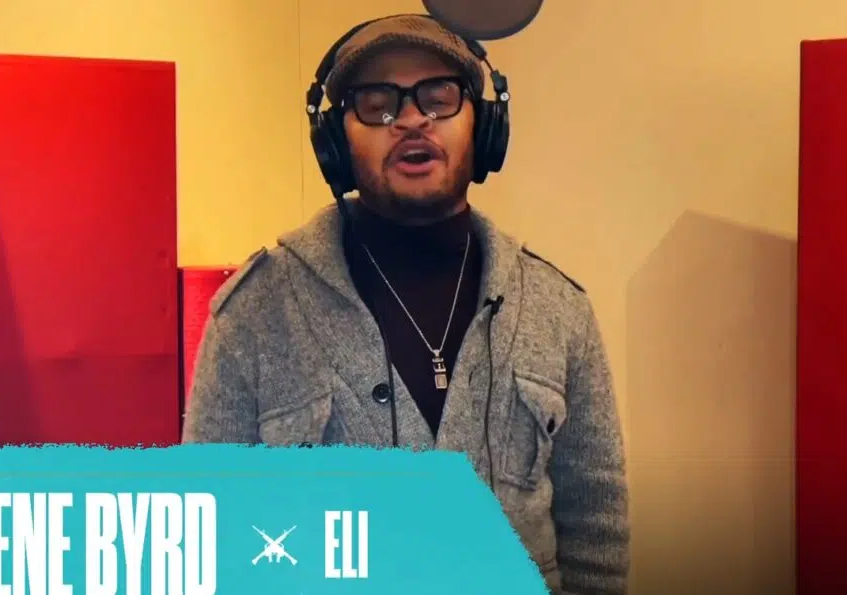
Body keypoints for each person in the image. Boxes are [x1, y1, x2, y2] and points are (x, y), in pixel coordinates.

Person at [183, 14, 629, 594]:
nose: (413, 119)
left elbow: (596, 536)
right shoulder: (255, 314)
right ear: (335, 142)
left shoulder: (558, 308)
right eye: (378, 104)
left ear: (485, 126)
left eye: (439, 97)